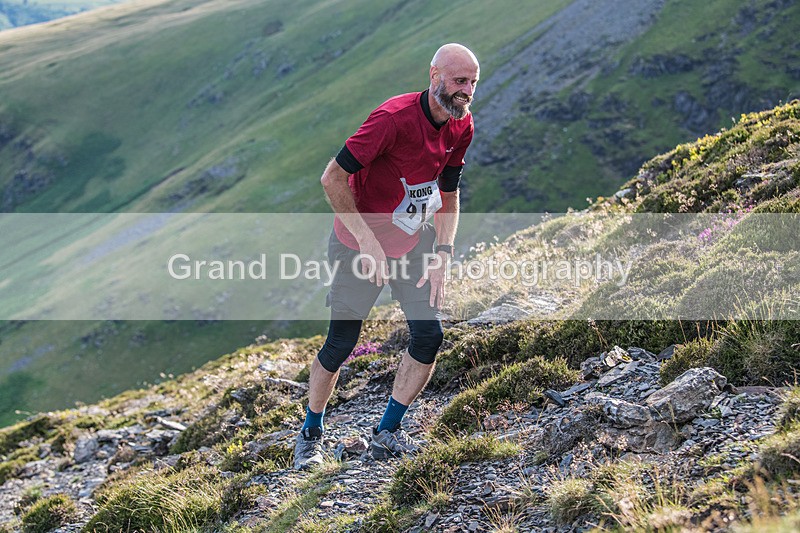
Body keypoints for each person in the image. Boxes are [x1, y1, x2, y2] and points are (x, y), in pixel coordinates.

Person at [293, 43, 480, 470]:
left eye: (472, 83)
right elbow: (332, 177)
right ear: (434, 75)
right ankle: (311, 434)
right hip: (357, 244)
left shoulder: (461, 124)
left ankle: (387, 433)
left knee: (429, 337)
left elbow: (448, 193)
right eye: (458, 82)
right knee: (341, 344)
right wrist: (368, 242)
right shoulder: (392, 119)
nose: (465, 92)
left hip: (412, 245)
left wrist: (443, 252)